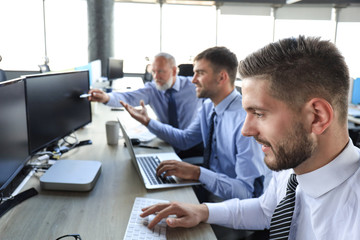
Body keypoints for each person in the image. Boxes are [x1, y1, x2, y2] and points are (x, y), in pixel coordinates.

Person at [138, 36, 360, 239]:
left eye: (259, 114)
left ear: (316, 117)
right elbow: (265, 209)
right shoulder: (291, 167)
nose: (245, 130)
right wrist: (202, 210)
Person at [121, 46, 270, 201]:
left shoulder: (245, 122)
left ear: (221, 77)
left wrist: (197, 173)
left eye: (200, 73)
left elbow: (248, 193)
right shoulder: (208, 106)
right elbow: (185, 140)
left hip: (232, 206)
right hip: (209, 189)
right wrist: (147, 121)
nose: (193, 80)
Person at [88, 52, 203, 158]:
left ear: (174, 71)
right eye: (153, 71)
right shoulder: (153, 89)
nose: (156, 77)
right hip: (165, 140)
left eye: (160, 71)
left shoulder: (194, 86)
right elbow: (128, 97)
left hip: (190, 144)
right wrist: (106, 98)